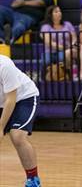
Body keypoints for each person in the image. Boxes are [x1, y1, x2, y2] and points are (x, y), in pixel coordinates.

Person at [0, 54, 41, 187]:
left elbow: (11, 99)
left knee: (17, 136)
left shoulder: (4, 65)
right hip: (2, 102)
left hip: (24, 99)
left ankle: (33, 180)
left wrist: (0, 128)